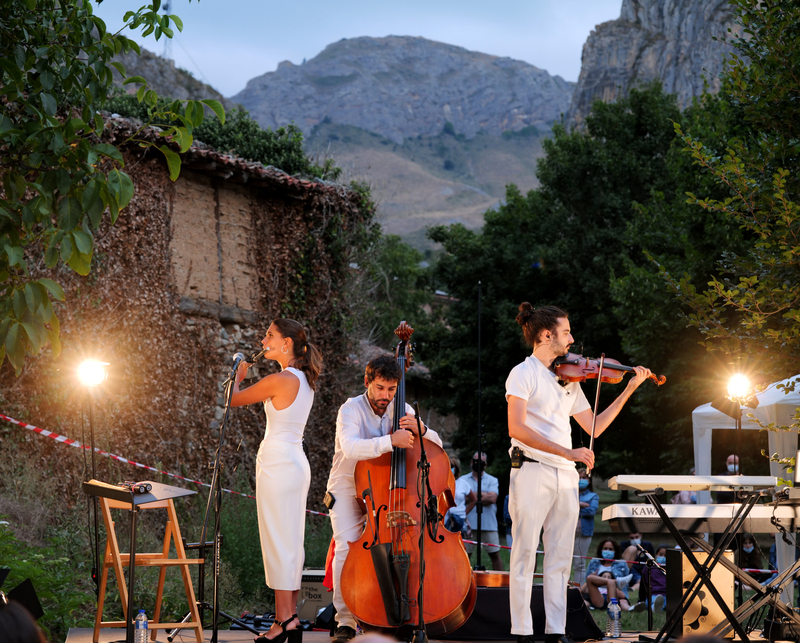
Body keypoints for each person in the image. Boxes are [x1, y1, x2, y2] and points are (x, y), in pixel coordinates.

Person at [506, 303, 652, 643]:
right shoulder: (523, 373)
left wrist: (629, 389)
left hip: (566, 476)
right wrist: (568, 451)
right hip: (531, 469)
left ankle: (556, 632)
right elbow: (517, 427)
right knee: (525, 553)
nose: (572, 339)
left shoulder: (568, 377)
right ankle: (522, 633)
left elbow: (595, 426)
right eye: (567, 332)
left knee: (560, 559)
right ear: (546, 335)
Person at [325, 355, 442, 643]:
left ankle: (389, 613)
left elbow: (437, 443)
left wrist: (421, 430)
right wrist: (391, 441)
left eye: (391, 389)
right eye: (380, 388)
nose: (385, 396)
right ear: (367, 382)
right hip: (347, 488)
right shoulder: (350, 409)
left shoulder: (401, 408)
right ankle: (346, 621)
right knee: (346, 549)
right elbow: (351, 448)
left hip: (385, 494)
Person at [231, 319, 322, 643]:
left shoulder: (282, 379)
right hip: (294, 463)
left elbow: (234, 400)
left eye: (269, 335)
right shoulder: (303, 378)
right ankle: (289, 618)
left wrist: (238, 378)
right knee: (289, 541)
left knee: (278, 543)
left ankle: (284, 620)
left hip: (279, 464)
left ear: (286, 343)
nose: (263, 339)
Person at [462, 452, 504, 571]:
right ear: (471, 462)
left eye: (481, 462)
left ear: (485, 465)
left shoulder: (492, 480)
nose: (478, 464)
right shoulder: (463, 480)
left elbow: (492, 498)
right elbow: (461, 497)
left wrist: (472, 497)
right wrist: (483, 494)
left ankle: (499, 582)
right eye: (475, 461)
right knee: (465, 555)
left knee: (495, 553)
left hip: (488, 524)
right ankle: (463, 582)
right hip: (468, 524)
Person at [582, 539, 640, 612]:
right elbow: (586, 583)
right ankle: (615, 581)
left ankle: (630, 609)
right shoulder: (594, 562)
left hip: (615, 593)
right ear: (601, 550)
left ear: (615, 551)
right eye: (605, 548)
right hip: (597, 593)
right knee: (590, 578)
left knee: (622, 602)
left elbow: (624, 587)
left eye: (610, 549)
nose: (607, 551)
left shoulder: (621, 563)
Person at [573, 468, 599, 586]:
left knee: (579, 563)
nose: (581, 480)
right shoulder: (568, 493)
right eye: (579, 477)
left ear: (589, 480)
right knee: (563, 561)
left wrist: (573, 507)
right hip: (567, 532)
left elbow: (591, 511)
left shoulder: (593, 496)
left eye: (584, 478)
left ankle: (578, 589)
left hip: (584, 533)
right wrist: (580, 505)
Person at [445, 456, 476, 539]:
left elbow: (474, 500)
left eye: (452, 466)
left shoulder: (463, 483)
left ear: (456, 468)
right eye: (448, 466)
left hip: (458, 519)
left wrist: (464, 513)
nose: (450, 468)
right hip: (443, 520)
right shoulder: (440, 482)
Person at [640, 544, 668, 612]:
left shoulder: (673, 568)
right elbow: (643, 585)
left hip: (667, 596)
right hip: (653, 595)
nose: (663, 557)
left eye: (666, 556)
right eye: (660, 554)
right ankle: (654, 607)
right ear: (656, 555)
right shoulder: (648, 568)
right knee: (653, 601)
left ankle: (662, 607)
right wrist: (641, 600)